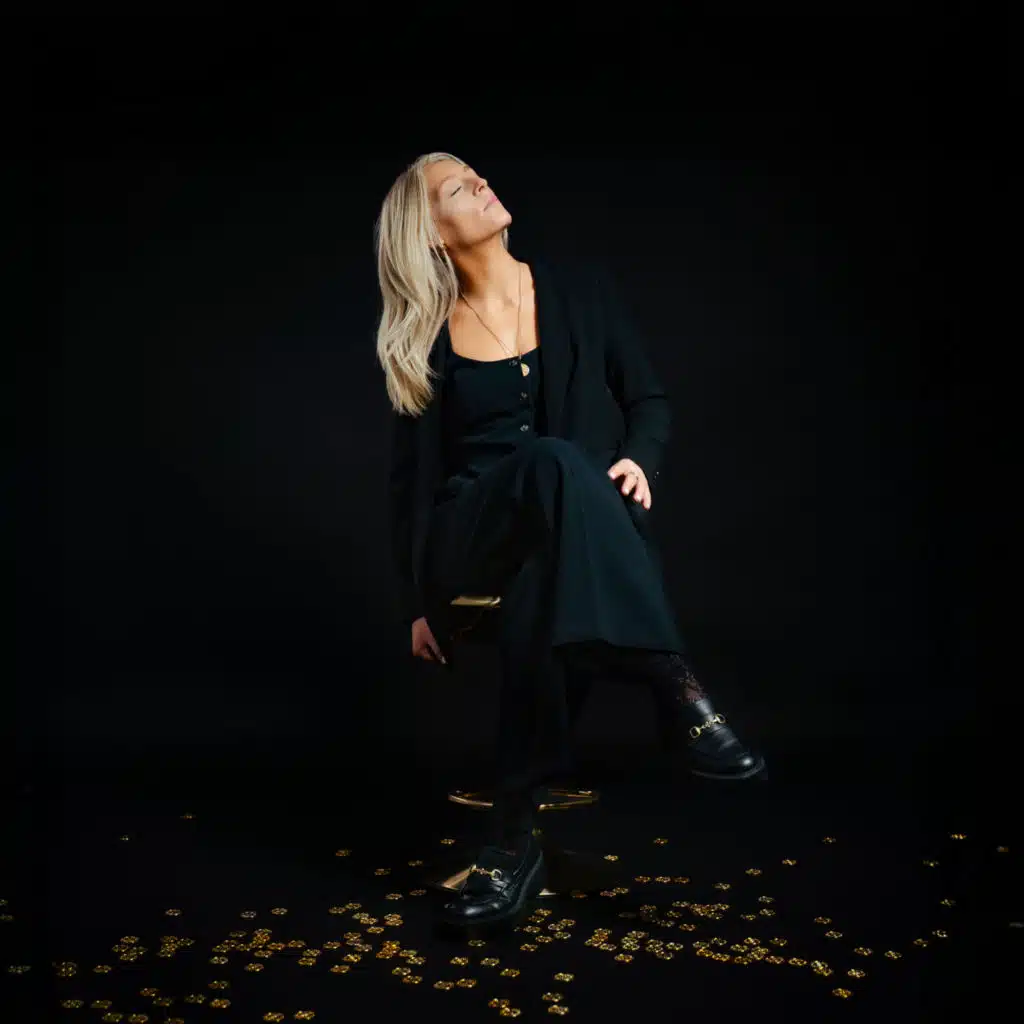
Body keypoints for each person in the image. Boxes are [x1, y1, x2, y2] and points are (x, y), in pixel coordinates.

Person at [375, 152, 765, 934]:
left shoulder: (580, 292)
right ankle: (673, 682)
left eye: (476, 174)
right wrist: (417, 602)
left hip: (563, 541)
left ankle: (511, 845)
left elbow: (647, 399)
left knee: (540, 591)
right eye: (458, 189)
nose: (482, 184)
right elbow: (410, 484)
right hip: (470, 534)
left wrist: (639, 459)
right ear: (434, 233)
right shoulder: (425, 335)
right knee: (552, 460)